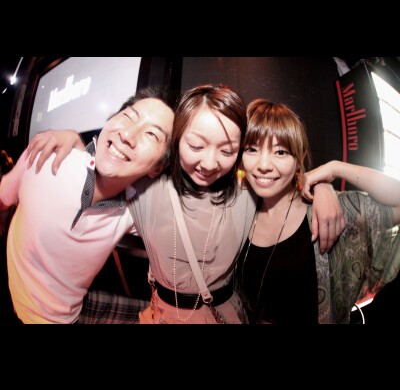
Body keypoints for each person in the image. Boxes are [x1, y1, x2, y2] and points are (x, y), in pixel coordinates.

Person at [27, 84, 345, 324]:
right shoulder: (147, 187)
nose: (209, 163)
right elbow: (102, 180)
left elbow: (283, 179)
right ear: (176, 140)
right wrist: (79, 147)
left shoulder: (247, 192)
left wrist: (322, 185)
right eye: (195, 145)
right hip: (161, 314)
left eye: (227, 150)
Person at [0, 86, 178, 323]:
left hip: (70, 312)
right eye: (128, 116)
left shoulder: (136, 210)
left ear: (158, 168)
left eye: (152, 135)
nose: (128, 134)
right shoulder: (45, 157)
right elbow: (3, 198)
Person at [235, 98, 400, 324]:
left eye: (280, 152)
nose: (263, 165)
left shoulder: (331, 213)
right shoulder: (238, 207)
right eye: (252, 149)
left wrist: (334, 169)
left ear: (299, 159)